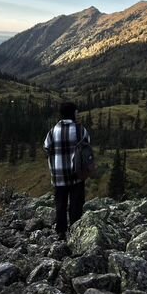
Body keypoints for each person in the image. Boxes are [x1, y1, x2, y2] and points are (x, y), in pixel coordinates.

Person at [43, 102, 90, 240]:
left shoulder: (52, 131)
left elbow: (46, 148)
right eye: (77, 112)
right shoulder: (80, 130)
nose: (78, 114)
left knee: (60, 203)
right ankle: (75, 230)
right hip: (76, 174)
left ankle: (61, 232)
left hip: (58, 175)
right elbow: (87, 146)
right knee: (76, 202)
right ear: (73, 113)